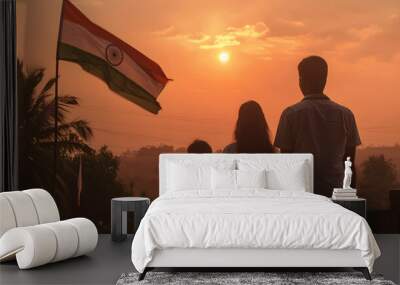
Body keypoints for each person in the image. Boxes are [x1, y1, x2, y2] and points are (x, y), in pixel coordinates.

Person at [274, 55, 361, 197]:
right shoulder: (345, 115)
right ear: (325, 80)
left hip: (303, 197)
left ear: (301, 80)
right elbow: (350, 166)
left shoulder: (290, 115)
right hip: (336, 196)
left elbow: (287, 166)